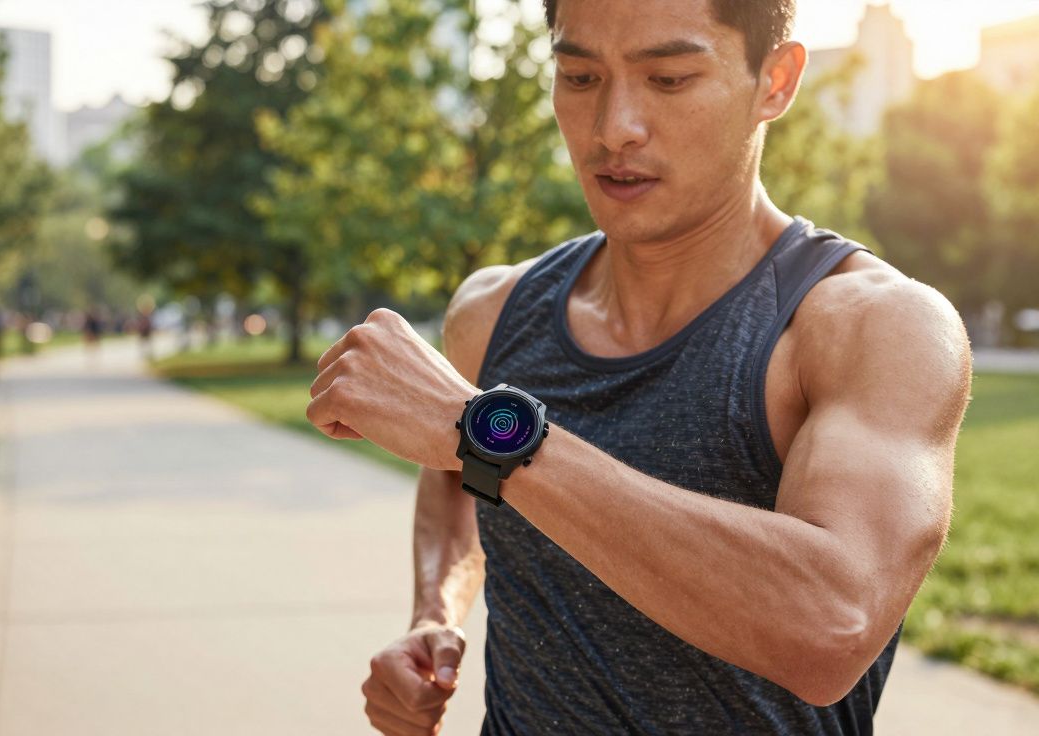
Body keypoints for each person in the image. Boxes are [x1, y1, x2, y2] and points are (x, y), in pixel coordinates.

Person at [306, 1, 972, 734]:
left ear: (775, 82)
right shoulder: (496, 311)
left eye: (670, 78)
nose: (614, 126)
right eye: (580, 75)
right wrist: (433, 612)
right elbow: (457, 477)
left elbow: (832, 626)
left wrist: (492, 433)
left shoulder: (869, 325)